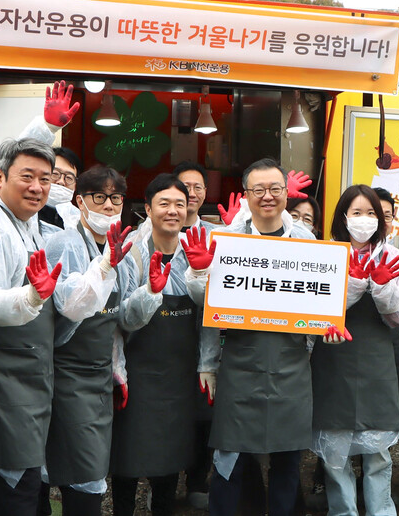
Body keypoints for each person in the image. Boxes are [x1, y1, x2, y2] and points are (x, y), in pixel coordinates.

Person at [183, 158, 315, 516]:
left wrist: (321, 333)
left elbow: (319, 303)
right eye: (258, 190)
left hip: (292, 365)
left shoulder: (307, 240)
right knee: (230, 457)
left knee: (288, 459)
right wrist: (207, 364)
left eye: (275, 189)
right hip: (240, 364)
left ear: (286, 193)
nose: (268, 197)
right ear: (246, 195)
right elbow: (211, 307)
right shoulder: (227, 240)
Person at [0, 137, 67, 515]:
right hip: (1, 381)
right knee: (14, 493)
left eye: (45, 178)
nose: (37, 187)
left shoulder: (30, 223)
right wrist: (30, 298)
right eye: (27, 176)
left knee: (29, 492)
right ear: (1, 177)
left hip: (30, 379)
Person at [111, 174, 218, 516]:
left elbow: (210, 317)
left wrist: (207, 364)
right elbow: (122, 319)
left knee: (170, 462)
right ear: (148, 209)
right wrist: (150, 293)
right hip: (138, 376)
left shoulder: (196, 253)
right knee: (127, 460)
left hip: (180, 376)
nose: (173, 211)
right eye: (164, 203)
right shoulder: (133, 257)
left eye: (179, 204)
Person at [311, 184, 399, 516]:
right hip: (333, 358)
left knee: (378, 451)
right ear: (343, 217)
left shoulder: (395, 258)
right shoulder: (324, 257)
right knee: (334, 449)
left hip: (377, 360)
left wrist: (383, 287)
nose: (364, 220)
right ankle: (342, 510)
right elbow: (311, 311)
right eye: (356, 213)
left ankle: (380, 511)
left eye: (371, 213)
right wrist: (352, 286)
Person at [42, 166, 135, 515]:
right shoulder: (64, 243)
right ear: (80, 201)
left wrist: (118, 368)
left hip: (100, 376)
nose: (109, 206)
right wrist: (104, 267)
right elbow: (70, 306)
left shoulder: (123, 248)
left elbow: (122, 319)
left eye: (116, 198)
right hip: (66, 370)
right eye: (100, 197)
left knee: (89, 464)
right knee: (83, 468)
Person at [172, 160, 222, 509]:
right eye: (184, 186)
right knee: (169, 413)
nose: (191, 192)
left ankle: (197, 479)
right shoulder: (151, 232)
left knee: (205, 415)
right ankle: (163, 480)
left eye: (198, 186)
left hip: (206, 336)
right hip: (167, 337)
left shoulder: (220, 235)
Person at [36, 80, 82, 231]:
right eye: (55, 174)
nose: (61, 182)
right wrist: (49, 128)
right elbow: (18, 161)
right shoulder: (25, 214)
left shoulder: (78, 224)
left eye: (69, 178)